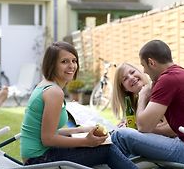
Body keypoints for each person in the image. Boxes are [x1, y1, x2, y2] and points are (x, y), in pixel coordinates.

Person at [20, 41, 137, 169]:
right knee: (107, 150)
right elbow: (47, 138)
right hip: (40, 160)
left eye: (74, 61)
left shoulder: (46, 85)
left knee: (103, 147)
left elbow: (48, 130)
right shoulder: (54, 92)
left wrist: (80, 130)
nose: (72, 66)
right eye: (64, 62)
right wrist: (86, 142)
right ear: (52, 65)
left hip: (36, 155)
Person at [111, 40, 184, 165]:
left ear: (151, 62)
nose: (144, 71)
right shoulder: (181, 74)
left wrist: (142, 96)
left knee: (120, 136)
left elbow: (143, 127)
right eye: (125, 79)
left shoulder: (167, 80)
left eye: (144, 66)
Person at [111, 62, 176, 137]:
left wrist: (140, 128)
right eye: (125, 79)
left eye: (132, 72)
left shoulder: (159, 91)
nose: (131, 78)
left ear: (141, 72)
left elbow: (173, 129)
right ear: (124, 88)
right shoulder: (134, 106)